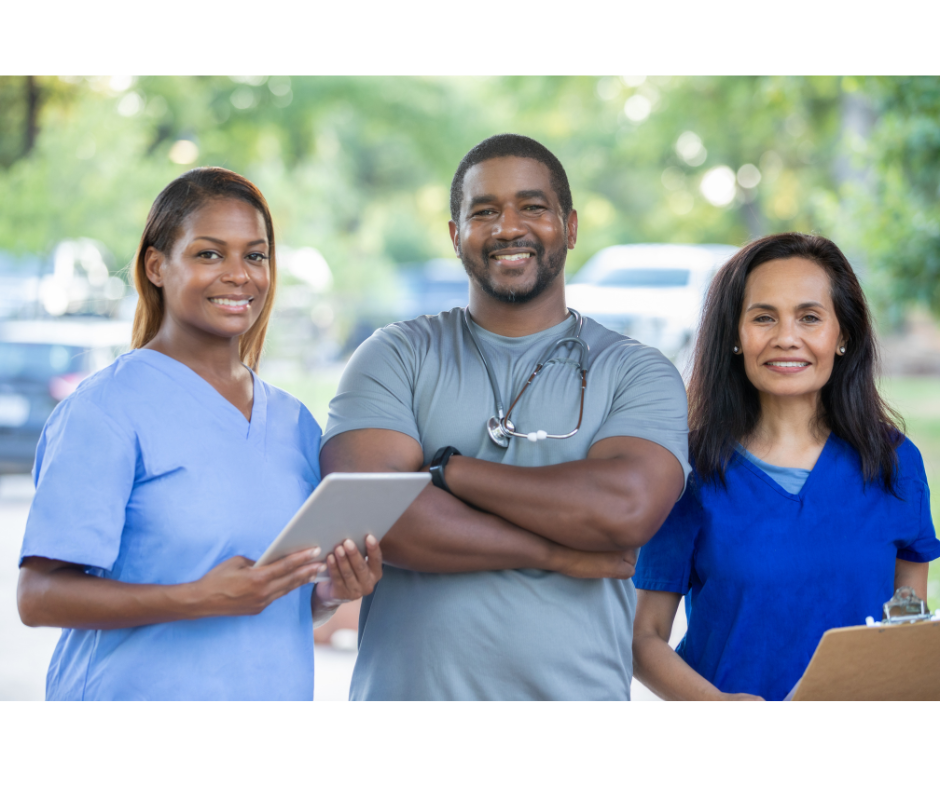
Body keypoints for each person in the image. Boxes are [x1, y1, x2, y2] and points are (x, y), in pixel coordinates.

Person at [320, 134, 690, 703]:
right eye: (484, 211)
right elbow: (369, 512)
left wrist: (447, 473)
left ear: (568, 227)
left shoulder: (636, 371)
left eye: (532, 207)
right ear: (455, 236)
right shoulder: (395, 355)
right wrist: (556, 551)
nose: (508, 227)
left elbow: (623, 509)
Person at [17, 167, 382, 703]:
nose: (240, 275)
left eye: (255, 256)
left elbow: (282, 604)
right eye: (210, 254)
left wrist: (332, 592)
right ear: (157, 266)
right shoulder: (105, 410)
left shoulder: (294, 423)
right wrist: (195, 598)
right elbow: (38, 597)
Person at [632, 232, 940, 704]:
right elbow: (643, 636)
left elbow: (908, 628)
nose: (786, 338)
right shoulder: (688, 470)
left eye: (810, 317)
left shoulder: (895, 463)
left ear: (844, 335)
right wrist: (717, 709)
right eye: (763, 318)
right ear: (735, 336)